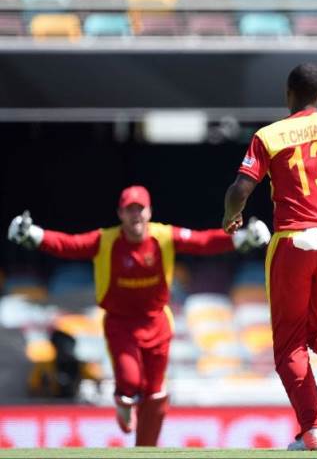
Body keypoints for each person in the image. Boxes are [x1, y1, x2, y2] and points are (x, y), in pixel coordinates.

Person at [222, 0, 317, 451]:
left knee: (289, 346)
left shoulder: (270, 135)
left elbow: (239, 189)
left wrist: (231, 217)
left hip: (292, 242)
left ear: (288, 96)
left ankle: (314, 430)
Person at [7, 185, 271, 446]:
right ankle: (123, 400)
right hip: (120, 324)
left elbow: (204, 242)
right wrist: (34, 234)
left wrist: (242, 237)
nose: (136, 216)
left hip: (156, 322)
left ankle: (146, 449)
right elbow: (69, 244)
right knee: (131, 381)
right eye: (130, 210)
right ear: (120, 213)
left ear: (149, 212)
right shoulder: (106, 240)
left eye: (140, 209)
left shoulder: (164, 236)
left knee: (155, 392)